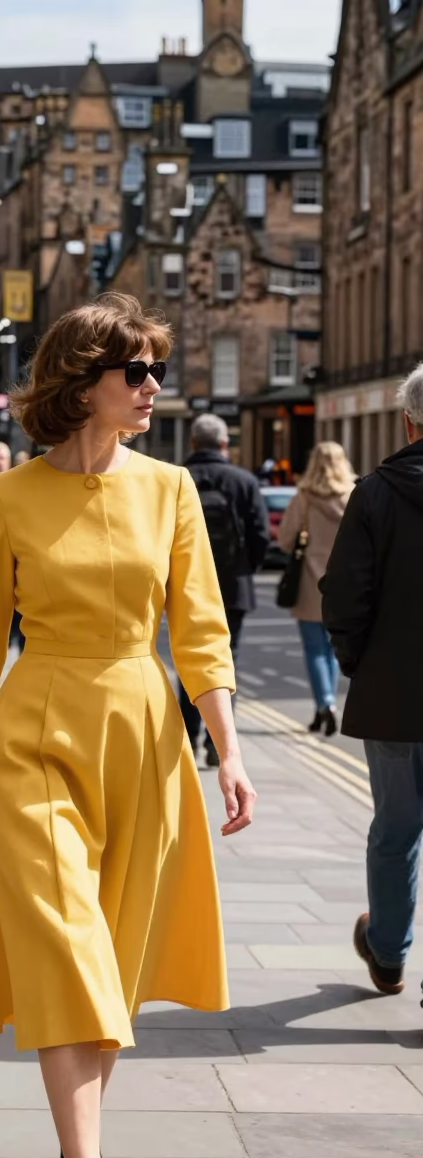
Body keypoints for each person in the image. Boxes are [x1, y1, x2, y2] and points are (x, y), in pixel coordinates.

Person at [0, 294, 256, 1158]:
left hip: (144, 737)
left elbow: (199, 627)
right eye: (138, 371)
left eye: (157, 369)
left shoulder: (171, 490)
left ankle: (77, 1143)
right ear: (84, 381)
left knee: (108, 961)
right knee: (68, 951)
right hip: (33, 739)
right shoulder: (6, 497)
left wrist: (229, 748)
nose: (154, 386)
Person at [321, 363, 423, 998]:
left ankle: (387, 953)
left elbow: (344, 597)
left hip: (394, 698)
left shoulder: (376, 493)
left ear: (408, 421)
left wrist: (361, 664)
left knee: (396, 829)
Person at [178, 414, 269, 767]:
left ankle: (188, 736)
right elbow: (260, 535)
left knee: (186, 661)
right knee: (224, 663)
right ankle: (218, 746)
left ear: (192, 444)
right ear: (223, 445)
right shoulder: (243, 481)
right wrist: (246, 568)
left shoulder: (175, 479)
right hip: (233, 586)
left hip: (183, 587)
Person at [279, 441, 355, 737]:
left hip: (310, 584)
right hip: (344, 584)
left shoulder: (304, 499)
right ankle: (329, 704)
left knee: (314, 650)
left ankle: (323, 704)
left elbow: (285, 540)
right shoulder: (353, 495)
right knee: (333, 649)